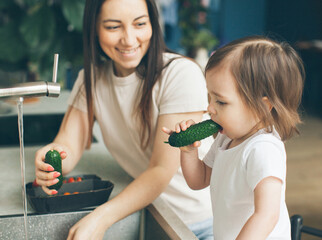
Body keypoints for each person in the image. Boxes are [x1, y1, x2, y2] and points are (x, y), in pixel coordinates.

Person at [34, 0, 214, 239]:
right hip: (152, 210)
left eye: (140, 24)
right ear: (94, 28)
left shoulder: (180, 75)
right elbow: (68, 144)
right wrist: (49, 160)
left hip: (203, 221)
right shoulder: (91, 79)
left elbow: (161, 169)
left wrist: (100, 218)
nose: (129, 39)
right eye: (112, 27)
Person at [163, 36, 305, 239]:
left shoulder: (263, 149)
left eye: (221, 102)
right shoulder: (226, 138)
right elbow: (199, 180)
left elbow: (267, 215)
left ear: (263, 107)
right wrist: (189, 151)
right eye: (209, 97)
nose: (209, 108)